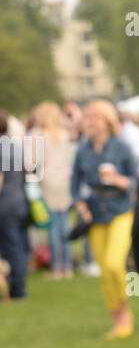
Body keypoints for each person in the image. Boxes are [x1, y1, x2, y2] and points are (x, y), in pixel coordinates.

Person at [70, 99, 137, 337]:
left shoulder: (122, 148)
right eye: (87, 118)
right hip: (95, 213)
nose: (89, 122)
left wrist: (120, 180)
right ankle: (118, 318)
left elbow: (136, 180)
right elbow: (75, 183)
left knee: (113, 264)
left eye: (94, 118)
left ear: (107, 121)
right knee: (104, 271)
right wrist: (80, 204)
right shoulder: (83, 149)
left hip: (120, 210)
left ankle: (127, 304)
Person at [31, 101, 74, 278]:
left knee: (53, 226)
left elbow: (34, 163)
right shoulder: (65, 134)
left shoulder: (38, 135)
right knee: (64, 223)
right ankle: (68, 265)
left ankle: (57, 266)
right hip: (64, 179)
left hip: (48, 180)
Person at [0, 112, 31, 299]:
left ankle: (18, 290)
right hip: (20, 201)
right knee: (19, 247)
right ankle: (18, 287)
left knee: (11, 249)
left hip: (5, 206)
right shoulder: (15, 145)